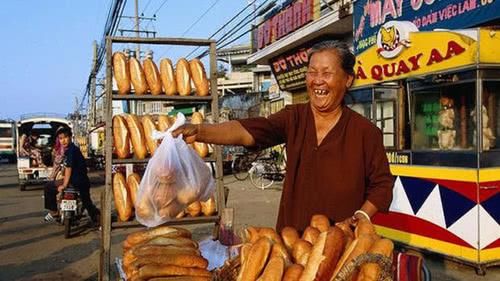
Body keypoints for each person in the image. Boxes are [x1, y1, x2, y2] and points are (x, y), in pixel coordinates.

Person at [173, 40, 394, 232]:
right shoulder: (294, 118)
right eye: (312, 72)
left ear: (348, 79)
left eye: (326, 73)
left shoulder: (365, 132)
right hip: (291, 241)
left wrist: (362, 215)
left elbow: (382, 185)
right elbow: (250, 131)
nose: (317, 81)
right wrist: (200, 131)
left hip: (341, 243)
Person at [44, 127, 100, 225]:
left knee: (48, 187)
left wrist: (64, 185)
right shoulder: (72, 150)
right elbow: (66, 167)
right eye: (61, 138)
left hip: (76, 181)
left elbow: (69, 168)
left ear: (70, 137)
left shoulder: (71, 150)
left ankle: (54, 212)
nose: (63, 140)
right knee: (87, 202)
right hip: (82, 181)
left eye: (65, 137)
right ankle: (97, 219)